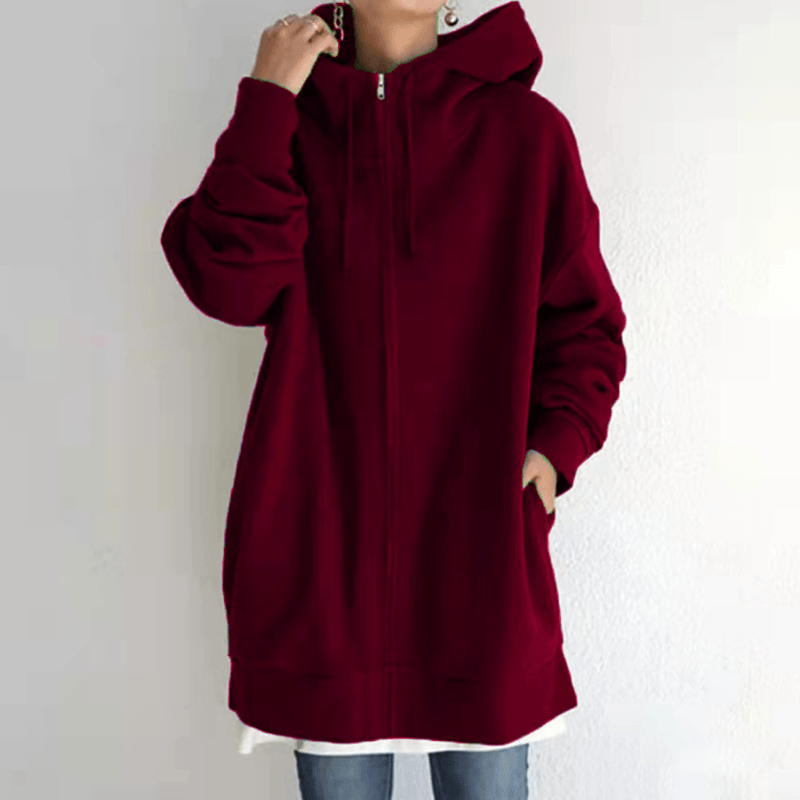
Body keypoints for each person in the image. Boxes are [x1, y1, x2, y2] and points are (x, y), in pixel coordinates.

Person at [160, 1, 627, 797]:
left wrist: (552, 454)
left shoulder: (527, 135)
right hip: (321, 569)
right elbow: (228, 286)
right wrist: (267, 101)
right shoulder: (289, 128)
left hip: (479, 568)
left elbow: (586, 328)